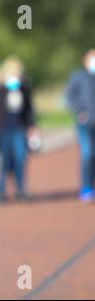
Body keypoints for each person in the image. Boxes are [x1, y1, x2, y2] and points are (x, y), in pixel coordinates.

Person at [0, 56, 38, 202]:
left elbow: (29, 110)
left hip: (19, 129)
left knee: (21, 158)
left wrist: (32, 127)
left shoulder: (24, 89)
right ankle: (0, 189)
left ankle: (21, 189)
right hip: (2, 130)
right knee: (4, 161)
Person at [66, 49, 95, 203]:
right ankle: (87, 187)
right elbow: (70, 97)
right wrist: (80, 111)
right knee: (88, 154)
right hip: (85, 122)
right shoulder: (78, 77)